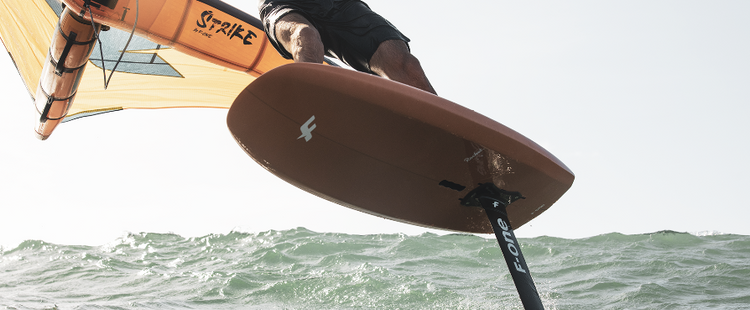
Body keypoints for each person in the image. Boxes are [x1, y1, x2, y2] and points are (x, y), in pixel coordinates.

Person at [258, 0, 437, 95]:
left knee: (398, 59)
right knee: (305, 36)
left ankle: (446, 129)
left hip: (339, 4)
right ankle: (311, 108)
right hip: (283, 3)